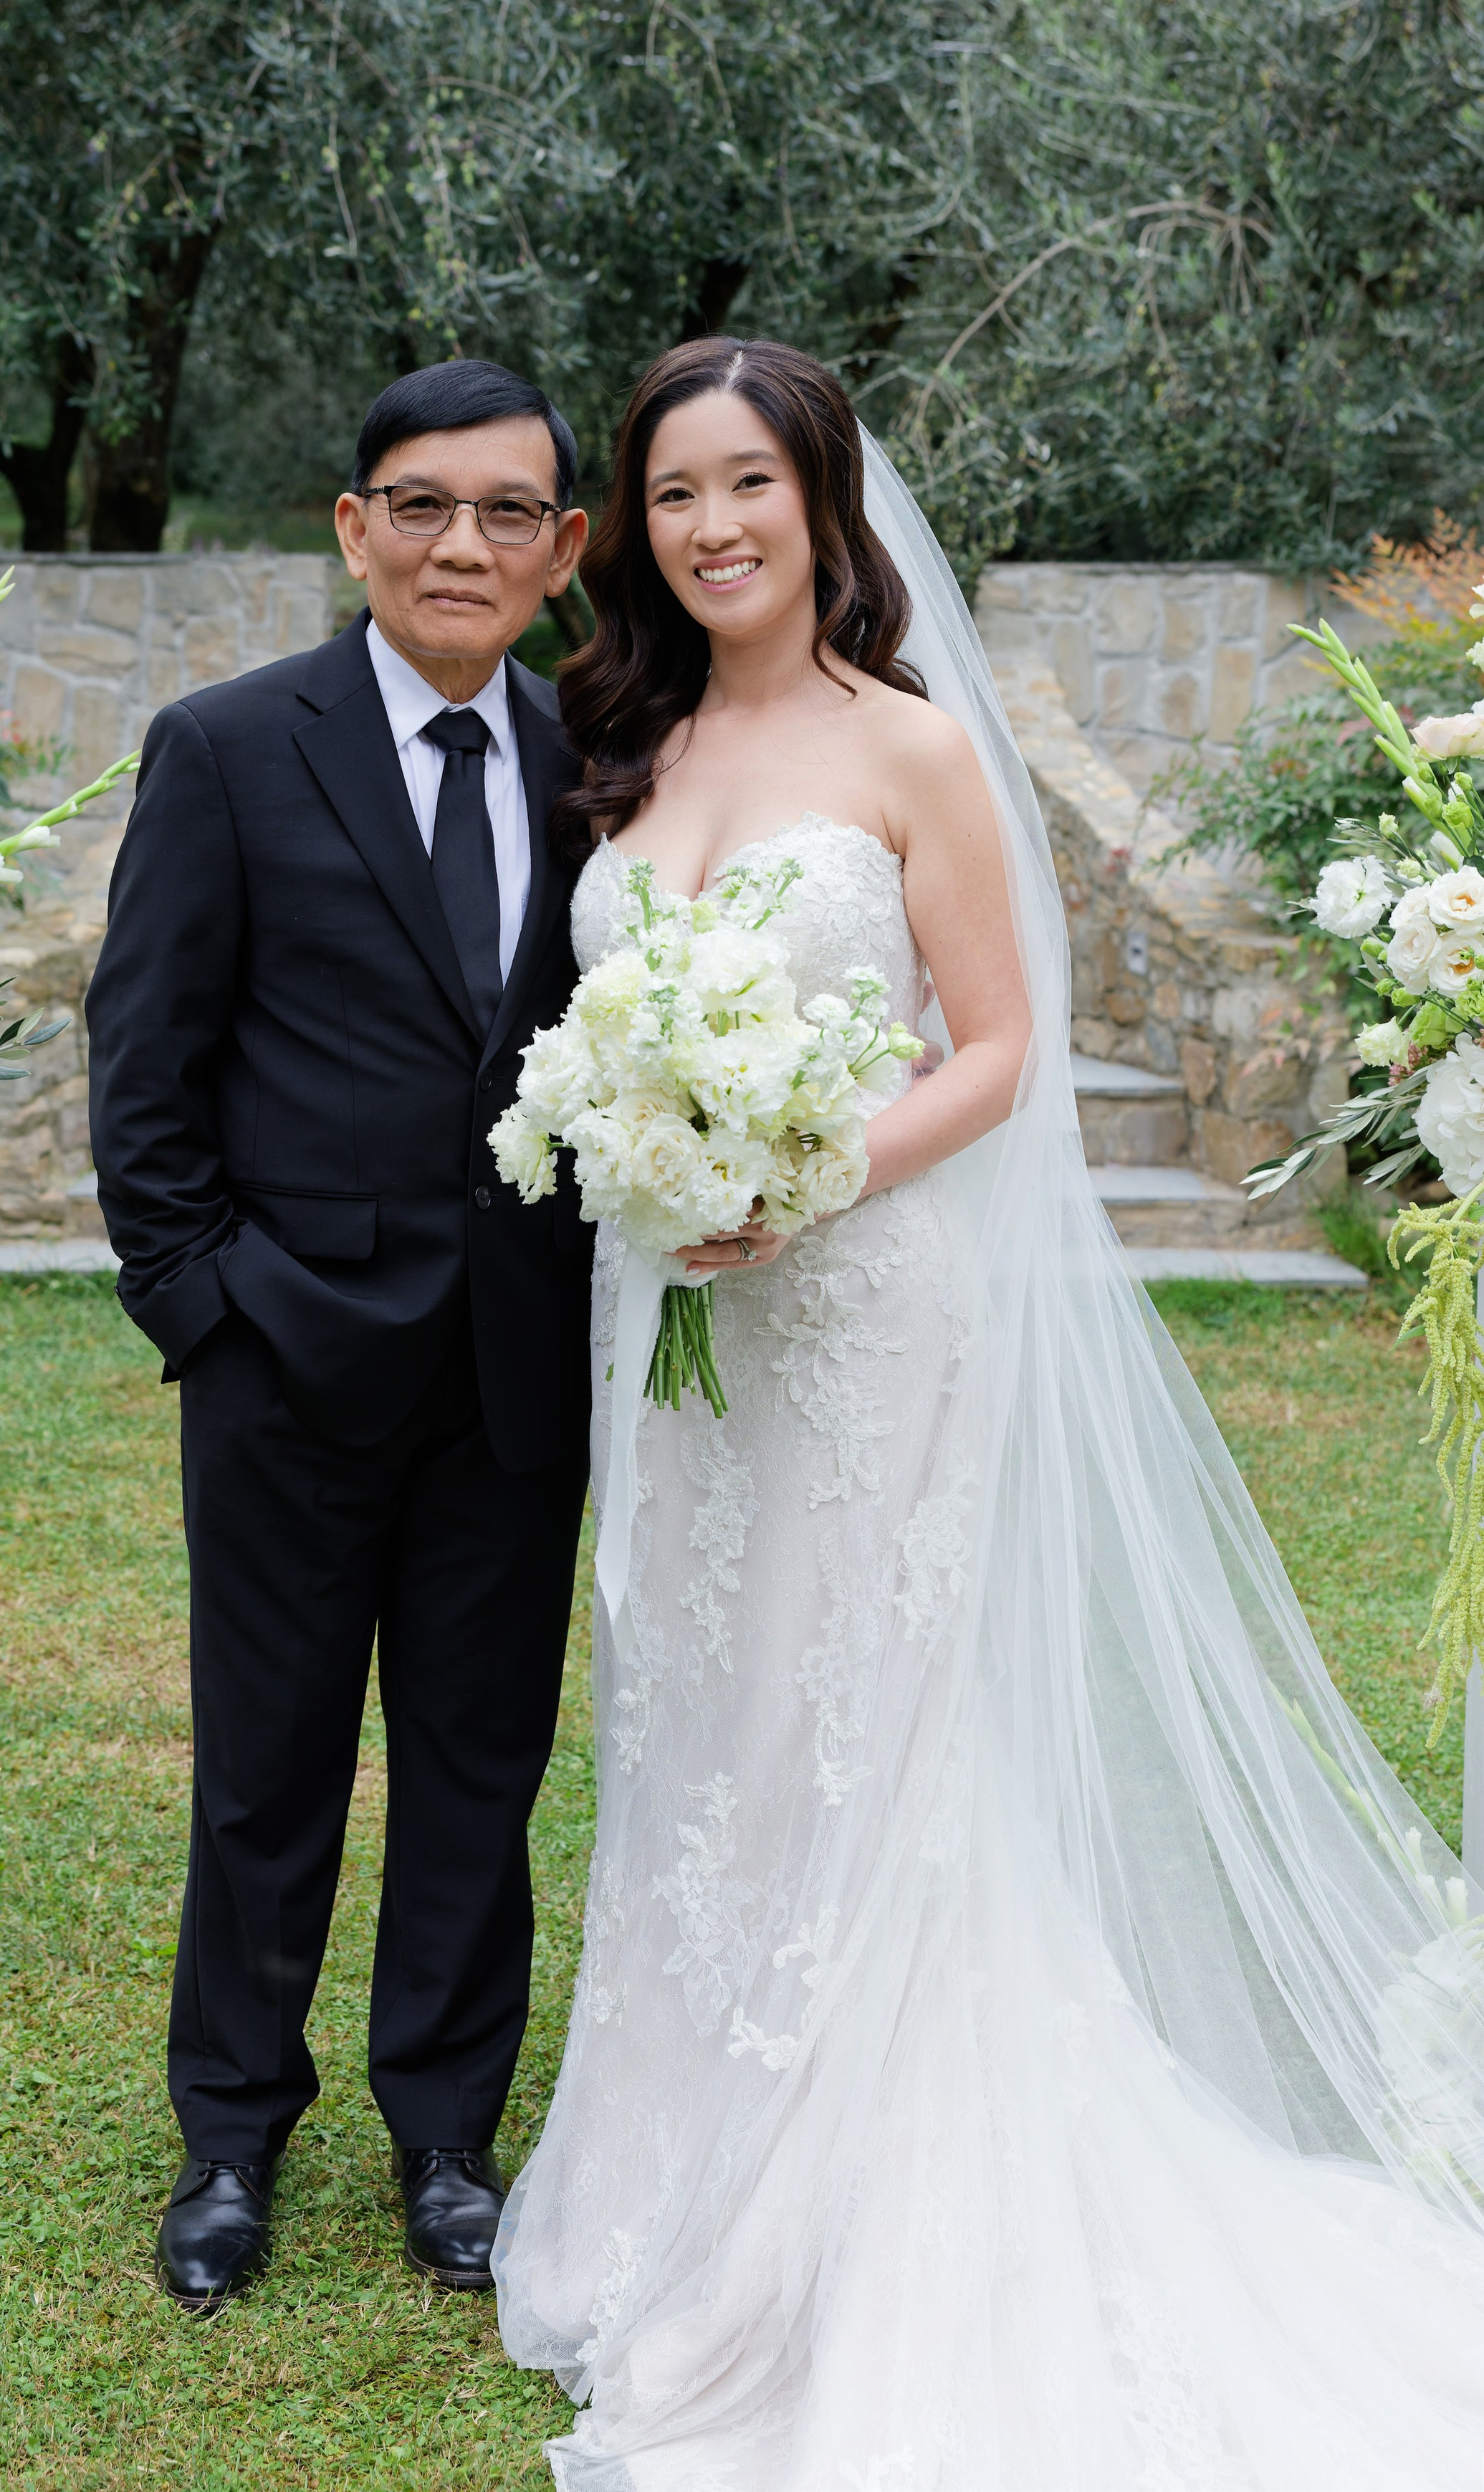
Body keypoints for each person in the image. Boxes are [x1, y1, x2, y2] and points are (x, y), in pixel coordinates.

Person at [493, 337, 1484, 2486]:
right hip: (671, 1322)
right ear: (639, 529)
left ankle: (850, 2219)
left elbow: (997, 1046)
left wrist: (805, 1167)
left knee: (854, 1729)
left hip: (864, 1313)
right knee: (693, 1717)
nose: (712, 525)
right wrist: (669, 1162)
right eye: (673, 493)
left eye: (748, 481)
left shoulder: (915, 747)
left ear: (823, 500)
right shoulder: (622, 735)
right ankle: (683, 2173)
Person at [87, 358, 595, 2312]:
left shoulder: (599, 758)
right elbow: (148, 1064)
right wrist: (206, 1311)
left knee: (479, 1759)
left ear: (562, 549)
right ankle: (230, 2135)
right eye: (421, 502)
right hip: (285, 1360)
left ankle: (447, 2138)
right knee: (266, 1765)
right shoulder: (227, 746)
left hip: (514, 1372)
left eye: (504, 511)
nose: (459, 541)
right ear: (352, 524)